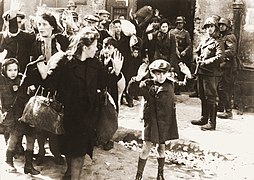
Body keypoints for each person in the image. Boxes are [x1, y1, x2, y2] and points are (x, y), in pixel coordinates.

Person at [58, 27, 123, 180]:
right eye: (95, 45)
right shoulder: (66, 62)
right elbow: (54, 84)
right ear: (86, 47)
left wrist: (116, 72)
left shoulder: (95, 63)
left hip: (87, 115)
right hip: (68, 114)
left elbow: (105, 83)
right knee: (69, 149)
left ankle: (74, 177)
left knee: (79, 153)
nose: (97, 48)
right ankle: (69, 173)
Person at [128, 59, 179, 180]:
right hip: (151, 122)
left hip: (164, 122)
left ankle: (160, 175)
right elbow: (132, 91)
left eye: (163, 73)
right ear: (152, 74)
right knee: (146, 148)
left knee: (161, 148)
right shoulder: (147, 84)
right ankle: (138, 176)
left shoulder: (171, 84)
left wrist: (188, 76)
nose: (161, 76)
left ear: (168, 73)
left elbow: (186, 85)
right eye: (157, 73)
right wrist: (137, 78)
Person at [191, 17, 224, 131]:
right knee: (202, 96)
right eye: (207, 27)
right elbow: (196, 51)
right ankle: (204, 118)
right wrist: (196, 59)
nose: (209, 29)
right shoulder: (204, 40)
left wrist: (206, 62)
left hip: (211, 73)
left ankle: (212, 123)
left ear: (215, 28)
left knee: (211, 98)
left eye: (211, 27)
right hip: (201, 72)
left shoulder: (218, 42)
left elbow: (220, 57)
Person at [0, 58, 20, 173]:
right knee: (9, 137)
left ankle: (10, 158)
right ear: (4, 70)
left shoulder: (20, 79)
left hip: (18, 113)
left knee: (14, 137)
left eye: (15, 70)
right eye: (10, 70)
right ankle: (9, 160)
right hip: (6, 113)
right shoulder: (2, 81)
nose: (13, 72)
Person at [217, 18, 237, 119]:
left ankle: (228, 111)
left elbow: (231, 51)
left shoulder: (229, 37)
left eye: (223, 25)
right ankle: (221, 107)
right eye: (219, 25)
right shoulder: (223, 36)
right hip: (224, 66)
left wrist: (220, 55)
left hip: (229, 67)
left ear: (227, 27)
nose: (220, 26)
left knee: (225, 88)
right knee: (220, 87)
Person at [170, 16, 192, 94]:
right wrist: (175, 51)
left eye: (181, 23)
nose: (180, 25)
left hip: (182, 54)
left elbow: (189, 44)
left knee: (182, 70)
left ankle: (180, 88)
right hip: (173, 53)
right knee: (173, 70)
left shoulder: (186, 33)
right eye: (178, 23)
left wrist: (185, 51)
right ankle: (173, 87)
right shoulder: (171, 32)